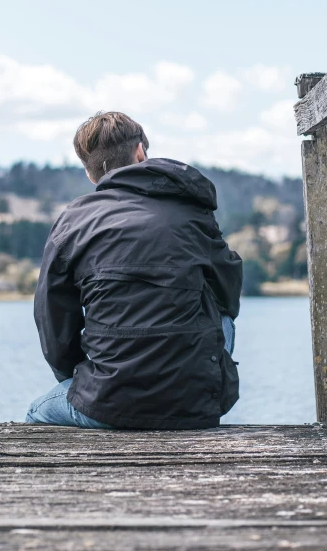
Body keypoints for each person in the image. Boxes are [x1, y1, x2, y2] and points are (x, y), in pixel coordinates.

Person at [25, 111, 242, 429]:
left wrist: (82, 381)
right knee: (219, 310)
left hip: (105, 399)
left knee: (36, 412)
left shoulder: (72, 222)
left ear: (90, 174)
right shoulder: (192, 211)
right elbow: (228, 299)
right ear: (140, 152)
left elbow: (53, 321)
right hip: (196, 403)